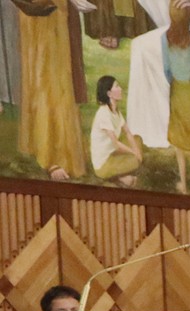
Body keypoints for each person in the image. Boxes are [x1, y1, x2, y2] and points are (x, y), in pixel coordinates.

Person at [14, 0, 86, 179]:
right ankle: (52, 155)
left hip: (58, 13)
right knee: (47, 80)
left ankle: (54, 149)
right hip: (40, 14)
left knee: (56, 78)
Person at [163, 0, 190, 195]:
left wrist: (175, 82)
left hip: (176, 90)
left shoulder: (166, 39)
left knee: (180, 144)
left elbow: (166, 69)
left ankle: (184, 184)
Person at [90, 75, 143, 185]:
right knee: (134, 160)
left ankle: (121, 175)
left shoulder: (115, 110)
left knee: (137, 139)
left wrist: (136, 150)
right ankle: (119, 178)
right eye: (117, 86)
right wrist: (134, 152)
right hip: (103, 164)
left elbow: (127, 132)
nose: (121, 89)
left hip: (112, 152)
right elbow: (116, 143)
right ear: (109, 94)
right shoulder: (104, 114)